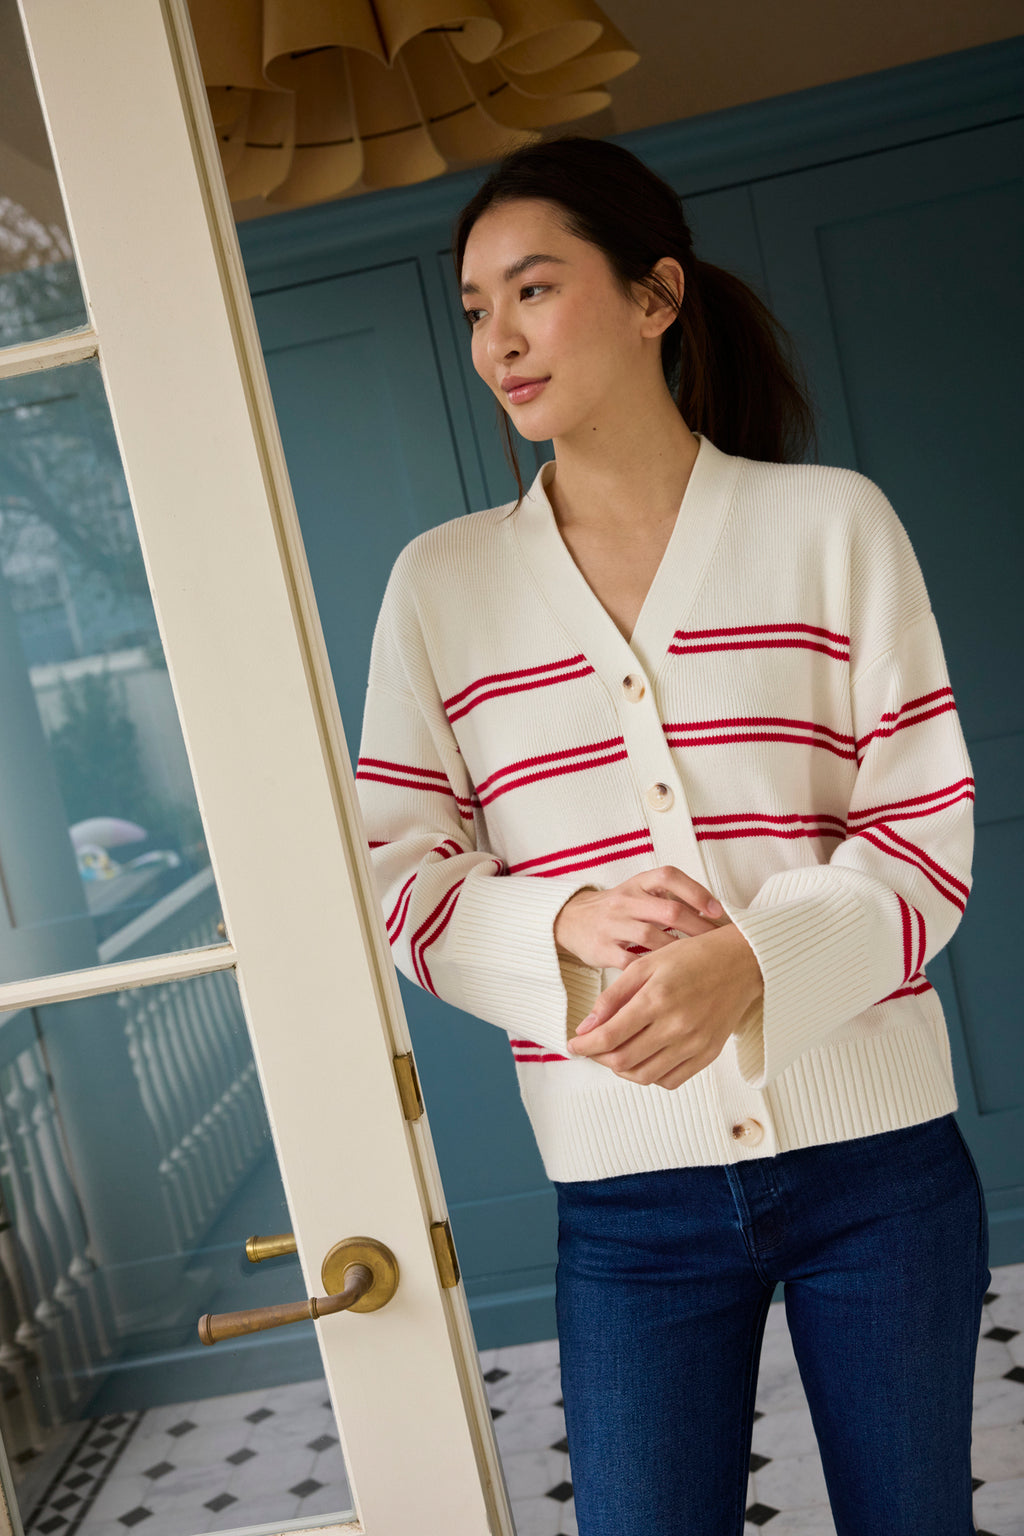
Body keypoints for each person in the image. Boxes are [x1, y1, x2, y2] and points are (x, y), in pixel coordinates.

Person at [355, 136, 987, 1535]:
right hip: (625, 1201)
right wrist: (558, 924)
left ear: (655, 296)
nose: (499, 340)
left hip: (879, 1166)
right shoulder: (440, 589)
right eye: (474, 309)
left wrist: (753, 962)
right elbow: (395, 873)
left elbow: (924, 835)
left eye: (533, 290)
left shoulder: (831, 527)